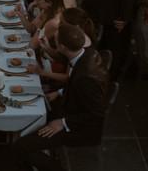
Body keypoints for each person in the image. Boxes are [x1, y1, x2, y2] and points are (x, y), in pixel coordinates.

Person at [13, 24, 108, 171]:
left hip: (79, 128)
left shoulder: (86, 78)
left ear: (63, 47)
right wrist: (59, 92)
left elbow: (96, 115)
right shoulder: (83, 53)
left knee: (20, 147)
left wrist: (63, 123)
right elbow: (75, 87)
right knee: (29, 108)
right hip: (69, 106)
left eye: (55, 41)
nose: (53, 41)